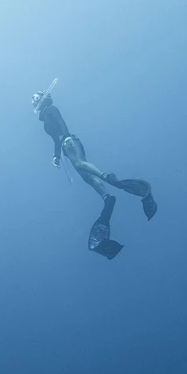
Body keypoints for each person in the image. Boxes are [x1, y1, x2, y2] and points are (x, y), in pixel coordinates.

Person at [32, 90, 157, 260]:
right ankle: (108, 198)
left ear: (42, 98)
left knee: (79, 163)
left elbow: (61, 124)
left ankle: (109, 178)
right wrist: (56, 156)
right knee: (87, 178)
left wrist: (67, 137)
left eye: (35, 97)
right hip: (64, 147)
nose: (32, 100)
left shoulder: (52, 109)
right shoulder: (44, 118)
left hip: (70, 141)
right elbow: (55, 139)